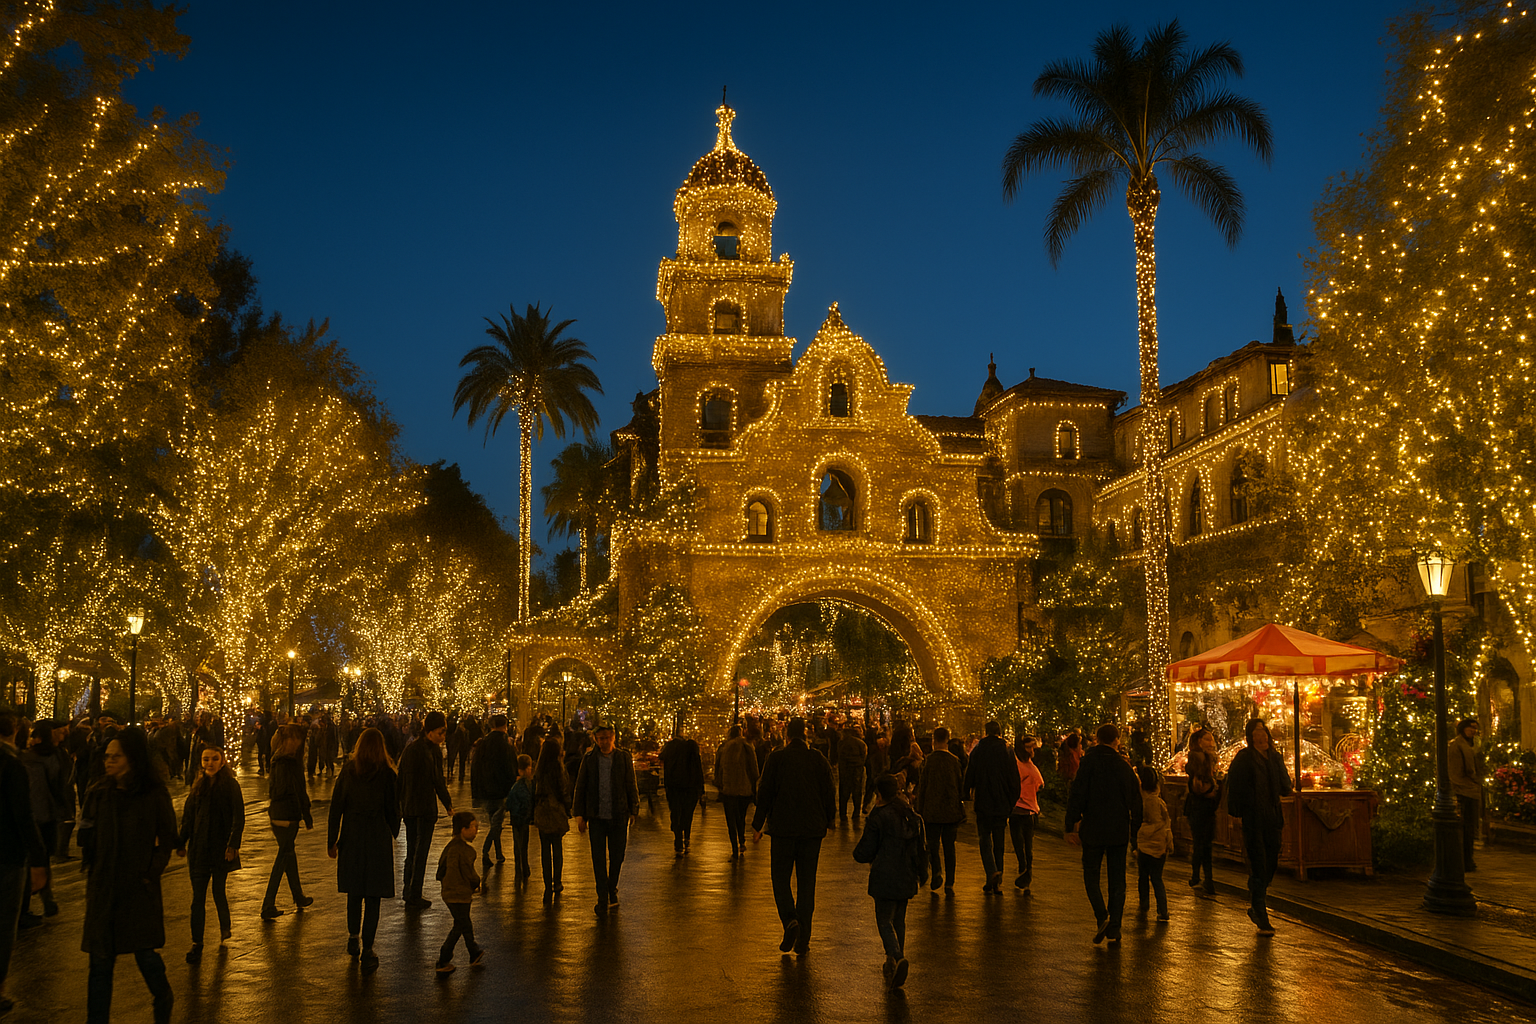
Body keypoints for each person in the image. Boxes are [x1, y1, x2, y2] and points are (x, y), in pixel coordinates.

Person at [79, 726, 177, 1024]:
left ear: (132, 759)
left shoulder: (152, 794)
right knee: (100, 963)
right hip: (104, 888)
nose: (108, 762)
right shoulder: (99, 792)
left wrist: (150, 874)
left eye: (116, 757)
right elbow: (87, 835)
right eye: (107, 756)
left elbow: (168, 837)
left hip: (137, 888)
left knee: (145, 955)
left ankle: (163, 1000)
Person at [752, 717, 836, 955]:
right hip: (811, 830)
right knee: (807, 883)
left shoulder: (776, 758)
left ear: (787, 736)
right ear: (806, 734)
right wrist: (830, 819)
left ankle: (790, 920)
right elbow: (829, 790)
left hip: (783, 829)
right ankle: (804, 939)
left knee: (780, 878)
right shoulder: (818, 759)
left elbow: (765, 791)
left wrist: (758, 824)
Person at [328, 727, 401, 973]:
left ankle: (352, 935)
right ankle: (368, 947)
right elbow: (393, 807)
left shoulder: (348, 772)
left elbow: (336, 805)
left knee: (355, 891)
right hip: (377, 836)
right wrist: (393, 829)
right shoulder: (387, 775)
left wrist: (332, 840)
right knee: (373, 896)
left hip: (352, 835)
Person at [1063, 722, 1142, 945]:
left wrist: (1071, 825)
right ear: (1117, 740)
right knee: (1117, 879)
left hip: (1093, 827)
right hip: (1118, 829)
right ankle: (1114, 925)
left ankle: (1101, 915)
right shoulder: (1123, 767)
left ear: (1097, 739)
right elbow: (1135, 802)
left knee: (1091, 874)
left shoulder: (1088, 763)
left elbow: (1077, 794)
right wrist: (1135, 834)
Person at [853, 774, 925, 991]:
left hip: (885, 875)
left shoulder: (879, 816)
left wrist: (857, 854)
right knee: (899, 920)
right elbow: (921, 848)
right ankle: (893, 961)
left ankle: (896, 955)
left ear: (880, 794)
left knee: (884, 920)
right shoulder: (911, 816)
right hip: (907, 874)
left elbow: (866, 850)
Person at [176, 745, 245, 963]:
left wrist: (232, 845)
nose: (210, 763)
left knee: (218, 891)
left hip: (219, 850)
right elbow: (188, 817)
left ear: (222, 761)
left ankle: (225, 926)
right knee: (198, 898)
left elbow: (238, 816)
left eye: (214, 759)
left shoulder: (230, 786)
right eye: (206, 759)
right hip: (198, 850)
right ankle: (197, 942)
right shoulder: (198, 786)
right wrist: (181, 842)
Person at [1226, 718, 1292, 937]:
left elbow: (1285, 787)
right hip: (1253, 817)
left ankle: (1257, 893)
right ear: (1250, 736)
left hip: (1272, 816)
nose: (1261, 736)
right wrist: (1236, 813)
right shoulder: (1244, 759)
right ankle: (1260, 911)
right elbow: (1234, 787)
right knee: (1259, 861)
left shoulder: (1275, 758)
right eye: (1256, 732)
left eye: (1263, 732)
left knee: (1271, 859)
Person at [1, 713, 48, 1018]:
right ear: (17, 731)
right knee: (4, 923)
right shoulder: (11, 765)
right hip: (6, 855)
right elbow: (22, 815)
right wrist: (39, 859)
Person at [572, 724, 640, 915]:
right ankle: (602, 895)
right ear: (595, 739)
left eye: (607, 737)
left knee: (617, 856)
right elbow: (581, 785)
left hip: (619, 813)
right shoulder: (589, 759)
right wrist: (580, 815)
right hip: (597, 817)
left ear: (613, 738)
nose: (604, 741)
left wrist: (634, 808)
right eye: (600, 738)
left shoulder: (623, 758)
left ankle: (612, 887)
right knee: (598, 858)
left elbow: (630, 783)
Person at [399, 710, 454, 909]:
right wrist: (446, 802)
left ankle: (410, 891)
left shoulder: (422, 750)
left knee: (414, 851)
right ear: (429, 731)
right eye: (441, 732)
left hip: (414, 807)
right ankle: (413, 893)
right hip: (420, 808)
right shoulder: (422, 751)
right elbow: (435, 779)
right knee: (418, 852)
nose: (443, 736)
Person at [262, 724, 315, 919]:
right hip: (288, 813)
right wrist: (306, 813)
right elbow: (296, 789)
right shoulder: (289, 762)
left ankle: (298, 896)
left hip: (277, 813)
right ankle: (268, 904)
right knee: (283, 857)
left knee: (288, 855)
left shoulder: (276, 759)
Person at [962, 721, 1021, 895]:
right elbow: (1014, 779)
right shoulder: (1007, 750)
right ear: (1000, 732)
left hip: (983, 801)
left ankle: (991, 871)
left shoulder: (978, 750)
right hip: (1002, 802)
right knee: (999, 842)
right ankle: (997, 879)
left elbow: (970, 774)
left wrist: (966, 793)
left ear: (986, 732)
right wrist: (1011, 801)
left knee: (984, 839)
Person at [19, 720, 69, 920]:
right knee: (42, 858)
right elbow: (61, 784)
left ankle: (29, 903)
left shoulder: (23, 757)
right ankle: (45, 900)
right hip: (46, 814)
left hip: (30, 813)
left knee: (28, 859)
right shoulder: (55, 758)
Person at [913, 725, 963, 896]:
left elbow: (923, 786)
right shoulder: (954, 761)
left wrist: (919, 808)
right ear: (948, 739)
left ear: (934, 740)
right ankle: (950, 882)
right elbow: (959, 784)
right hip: (950, 810)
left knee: (933, 845)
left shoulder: (929, 761)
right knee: (950, 847)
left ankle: (936, 872)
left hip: (932, 810)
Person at [434, 810, 485, 974]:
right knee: (461, 925)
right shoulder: (464, 852)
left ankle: (473, 952)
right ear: (463, 829)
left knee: (462, 923)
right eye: (473, 827)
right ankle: (443, 959)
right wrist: (477, 882)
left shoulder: (450, 848)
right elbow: (468, 873)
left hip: (450, 893)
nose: (476, 830)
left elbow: (440, 870)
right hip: (459, 894)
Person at [471, 714, 516, 868]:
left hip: (486, 789)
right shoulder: (504, 744)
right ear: (505, 726)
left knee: (494, 822)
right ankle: (485, 851)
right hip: (500, 789)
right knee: (496, 824)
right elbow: (508, 767)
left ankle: (498, 852)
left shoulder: (483, 743)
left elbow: (476, 767)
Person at [531, 739, 571, 895]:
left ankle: (547, 882)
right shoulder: (558, 768)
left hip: (542, 810)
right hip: (555, 810)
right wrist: (567, 807)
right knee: (557, 847)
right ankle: (557, 881)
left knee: (545, 849)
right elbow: (563, 790)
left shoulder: (539, 770)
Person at [1184, 727, 1221, 895]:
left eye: (1212, 739)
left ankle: (1204, 878)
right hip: (1199, 806)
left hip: (1203, 807)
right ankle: (1200, 877)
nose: (1211, 742)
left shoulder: (1207, 758)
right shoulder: (1199, 758)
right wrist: (1213, 787)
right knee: (1202, 843)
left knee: (1204, 844)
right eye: (1207, 739)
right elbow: (1199, 784)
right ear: (1199, 742)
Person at [714, 725, 759, 860]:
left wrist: (720, 784)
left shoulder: (724, 748)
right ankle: (742, 841)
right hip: (744, 789)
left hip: (728, 789)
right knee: (741, 817)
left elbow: (718, 768)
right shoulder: (747, 746)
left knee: (730, 820)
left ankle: (734, 847)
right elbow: (754, 769)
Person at [1134, 765, 1173, 922]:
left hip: (1146, 845)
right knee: (1157, 878)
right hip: (1159, 846)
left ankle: (1144, 904)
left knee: (1143, 876)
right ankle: (1162, 911)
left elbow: (1150, 822)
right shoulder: (1160, 802)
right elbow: (1165, 822)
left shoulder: (1146, 803)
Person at [660, 728, 704, 856]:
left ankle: (678, 838)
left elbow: (661, 757)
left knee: (676, 811)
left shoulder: (670, 747)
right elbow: (698, 767)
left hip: (674, 786)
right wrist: (701, 788)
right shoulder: (692, 748)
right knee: (687, 813)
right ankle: (687, 838)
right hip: (690, 786)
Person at [1010, 734, 1044, 894]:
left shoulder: (1026, 766)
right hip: (1023, 809)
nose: (1032, 751)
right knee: (1023, 842)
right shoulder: (1025, 766)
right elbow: (1040, 785)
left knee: (1023, 842)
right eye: (1029, 747)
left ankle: (1025, 869)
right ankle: (1025, 870)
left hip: (1024, 809)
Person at [1449, 717, 1482, 871]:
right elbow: (1469, 769)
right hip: (1465, 789)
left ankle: (1466, 860)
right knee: (1467, 828)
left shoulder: (1469, 744)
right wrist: (1477, 780)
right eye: (1471, 728)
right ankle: (1466, 861)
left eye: (1475, 728)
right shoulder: (1459, 745)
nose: (1473, 731)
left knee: (1469, 828)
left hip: (1468, 788)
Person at [505, 754, 535, 882]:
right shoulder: (526, 785)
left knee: (518, 844)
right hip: (522, 818)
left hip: (515, 818)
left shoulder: (515, 786)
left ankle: (520, 868)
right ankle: (524, 868)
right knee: (523, 844)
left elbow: (509, 803)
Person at [836, 722, 867, 824]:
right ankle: (856, 812)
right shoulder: (860, 743)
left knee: (844, 793)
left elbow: (839, 755)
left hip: (845, 770)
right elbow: (864, 755)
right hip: (857, 769)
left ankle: (843, 813)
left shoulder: (842, 743)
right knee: (857, 792)